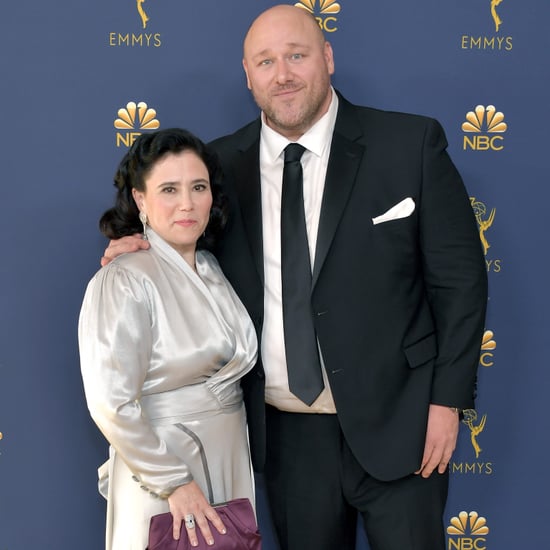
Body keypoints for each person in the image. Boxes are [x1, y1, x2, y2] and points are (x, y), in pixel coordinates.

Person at [102, 5, 488, 550]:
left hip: (402, 425)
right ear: (248, 75)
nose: (282, 73)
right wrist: (140, 243)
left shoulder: (410, 145)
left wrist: (447, 403)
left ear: (327, 58)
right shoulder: (218, 169)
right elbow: (183, 244)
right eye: (265, 61)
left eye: (296, 55)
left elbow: (461, 284)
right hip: (285, 438)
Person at [79, 128, 258, 549]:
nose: (187, 203)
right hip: (165, 471)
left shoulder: (214, 268)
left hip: (228, 459)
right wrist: (174, 482)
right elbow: (110, 401)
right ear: (140, 199)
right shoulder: (122, 278)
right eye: (169, 189)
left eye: (198, 187)